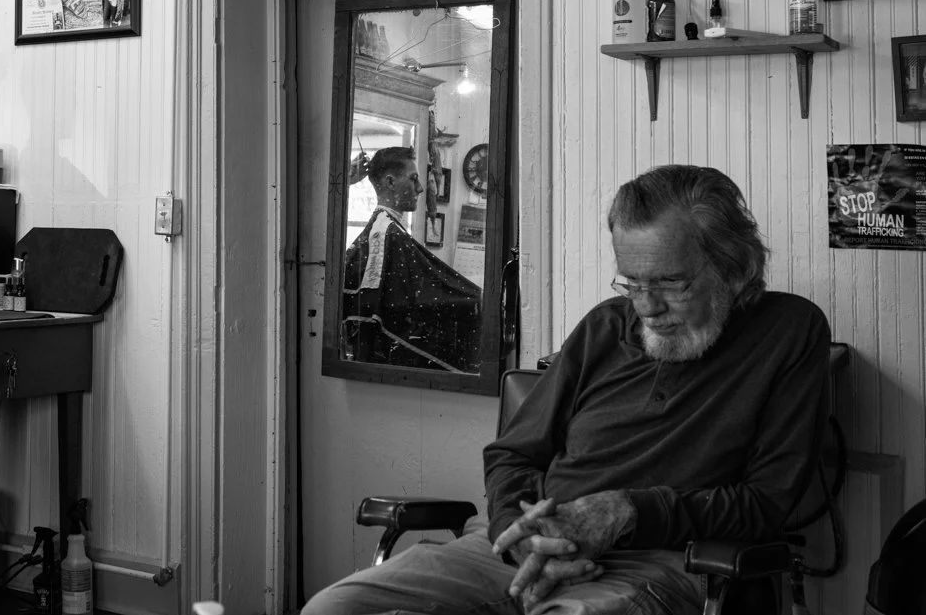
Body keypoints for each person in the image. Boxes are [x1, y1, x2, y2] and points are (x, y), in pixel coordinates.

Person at [304, 164, 831, 615]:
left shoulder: (788, 332)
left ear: (733, 268)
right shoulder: (606, 326)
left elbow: (767, 503)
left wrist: (626, 511)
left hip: (660, 560)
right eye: (632, 283)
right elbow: (513, 454)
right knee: (333, 608)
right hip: (522, 544)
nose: (647, 307)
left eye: (670, 283)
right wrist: (518, 533)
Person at [341, 146, 481, 371]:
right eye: (413, 178)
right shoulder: (387, 233)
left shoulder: (385, 231)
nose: (420, 188)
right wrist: (478, 300)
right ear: (390, 182)